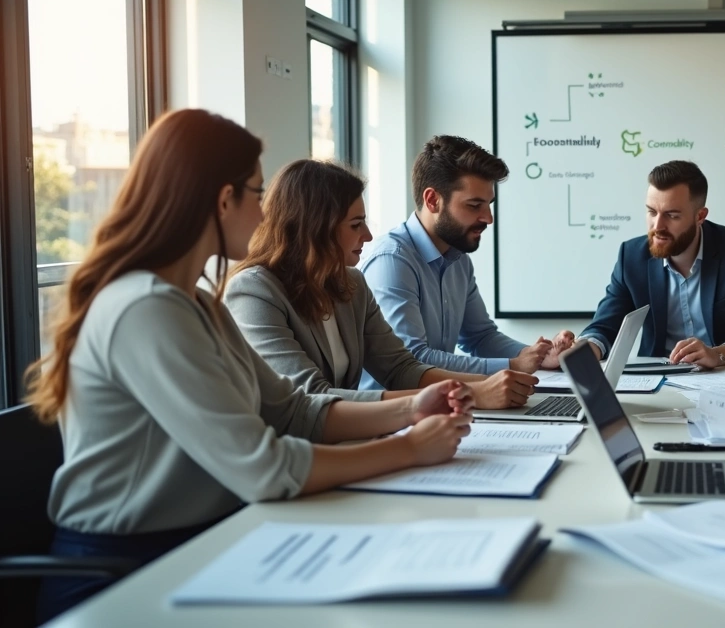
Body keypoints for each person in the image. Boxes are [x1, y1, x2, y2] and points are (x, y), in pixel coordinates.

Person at [25, 110, 473, 622]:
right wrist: (409, 449)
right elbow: (263, 467)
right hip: (126, 575)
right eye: (258, 194)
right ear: (223, 199)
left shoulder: (196, 302)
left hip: (200, 546)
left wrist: (411, 409)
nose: (265, 213)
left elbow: (295, 411)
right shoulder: (146, 308)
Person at [226, 159, 538, 409]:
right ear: (314, 229)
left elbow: (401, 369)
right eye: (355, 224)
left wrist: (478, 387)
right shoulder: (254, 292)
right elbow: (312, 397)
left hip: (350, 440)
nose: (368, 236)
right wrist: (469, 394)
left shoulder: (350, 284)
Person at [358, 135, 573, 380]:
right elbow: (412, 359)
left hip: (442, 406)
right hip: (397, 414)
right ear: (433, 200)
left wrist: (536, 356)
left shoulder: (458, 258)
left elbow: (480, 337)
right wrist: (513, 365)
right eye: (474, 205)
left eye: (489, 204)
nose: (488, 218)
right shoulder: (392, 261)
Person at [578, 160, 725, 368]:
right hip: (655, 379)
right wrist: (580, 350)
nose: (657, 226)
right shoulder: (631, 256)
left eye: (672, 216)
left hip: (723, 374)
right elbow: (604, 327)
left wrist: (717, 354)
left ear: (700, 216)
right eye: (652, 212)